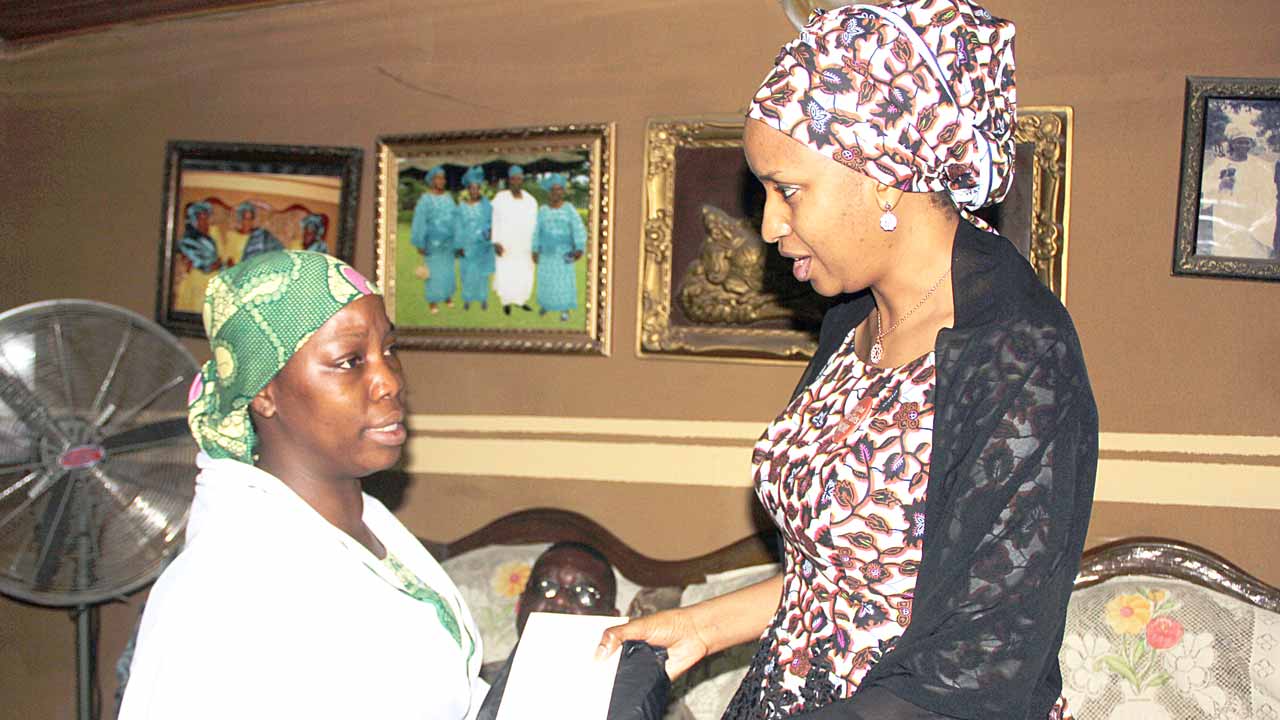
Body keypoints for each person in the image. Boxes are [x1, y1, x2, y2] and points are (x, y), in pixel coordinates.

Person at [599, 3, 1097, 720]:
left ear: (887, 174)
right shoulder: (852, 320)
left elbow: (977, 669)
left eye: (788, 190)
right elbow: (845, 575)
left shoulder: (1017, 358)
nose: (769, 225)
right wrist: (699, 627)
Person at [119, 251, 487, 719]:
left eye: (388, 350)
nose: (388, 381)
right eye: (350, 361)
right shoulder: (222, 591)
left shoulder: (369, 525)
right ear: (263, 393)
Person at [530, 173, 587, 322]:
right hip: (547, 253)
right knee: (547, 281)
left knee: (564, 282)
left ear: (563, 191)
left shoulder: (569, 209)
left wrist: (579, 247)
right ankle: (546, 305)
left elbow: (578, 228)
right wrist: (535, 249)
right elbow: (536, 231)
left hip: (564, 253)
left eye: (559, 189)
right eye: (553, 189)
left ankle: (564, 309)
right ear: (549, 192)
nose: (556, 192)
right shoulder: (542, 210)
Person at [490, 165, 539, 315]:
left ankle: (521, 300)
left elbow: (536, 224)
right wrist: (495, 242)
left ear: (522, 180)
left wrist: (536, 247)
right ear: (509, 181)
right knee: (506, 272)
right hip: (506, 244)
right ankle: (506, 302)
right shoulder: (500, 198)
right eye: (513, 179)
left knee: (525, 272)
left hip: (525, 245)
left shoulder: (530, 200)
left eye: (519, 178)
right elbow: (492, 220)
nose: (516, 181)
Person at [410, 165, 458, 313]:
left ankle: (447, 297)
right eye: (437, 178)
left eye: (443, 178)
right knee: (433, 272)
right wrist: (419, 241)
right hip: (432, 243)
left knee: (448, 271)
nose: (441, 181)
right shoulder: (425, 199)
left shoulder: (449, 198)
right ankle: (433, 301)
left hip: (448, 243)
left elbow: (455, 218)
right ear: (431, 180)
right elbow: (419, 221)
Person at [454, 165, 496, 310]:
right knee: (467, 273)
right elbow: (458, 226)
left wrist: (487, 233)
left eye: (477, 188)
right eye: (471, 188)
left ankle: (483, 299)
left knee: (481, 274)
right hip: (466, 245)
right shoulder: (461, 207)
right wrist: (458, 246)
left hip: (481, 245)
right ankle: (467, 299)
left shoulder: (487, 206)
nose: (474, 191)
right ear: (468, 189)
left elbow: (491, 223)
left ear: (480, 189)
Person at [173, 201, 223, 312]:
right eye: (200, 219)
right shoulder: (188, 240)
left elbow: (220, 259)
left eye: (206, 218)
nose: (204, 222)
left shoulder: (211, 237)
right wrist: (215, 264)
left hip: (212, 280)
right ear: (193, 221)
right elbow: (206, 266)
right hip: (197, 282)